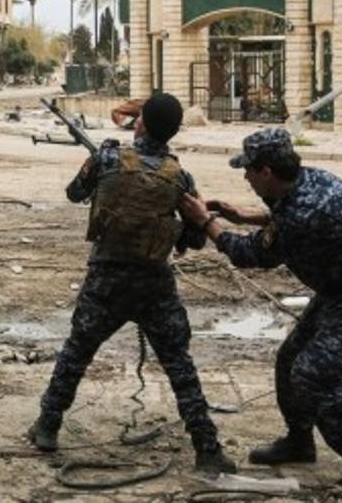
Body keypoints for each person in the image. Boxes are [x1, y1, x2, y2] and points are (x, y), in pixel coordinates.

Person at [179, 128, 342, 502]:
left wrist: (206, 222)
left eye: (249, 171)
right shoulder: (308, 181)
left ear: (268, 171)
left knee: (314, 377)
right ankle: (300, 440)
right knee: (290, 357)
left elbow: (248, 254)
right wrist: (243, 215)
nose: (245, 177)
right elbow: (282, 216)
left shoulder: (304, 214)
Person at [28, 92, 237, 474]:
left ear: (140, 123)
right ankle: (207, 449)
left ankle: (47, 425)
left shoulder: (107, 158)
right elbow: (193, 238)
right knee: (179, 364)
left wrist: (97, 169)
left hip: (107, 277)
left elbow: (74, 194)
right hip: (154, 281)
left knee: (77, 353)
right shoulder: (180, 177)